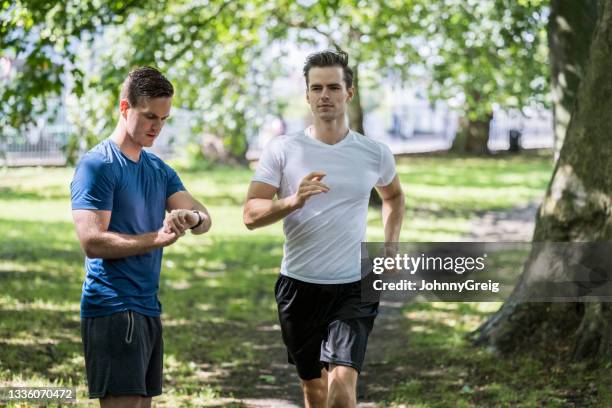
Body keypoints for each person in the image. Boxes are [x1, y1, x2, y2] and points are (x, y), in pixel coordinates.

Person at [243, 50, 405, 407]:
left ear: (349, 93)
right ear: (307, 95)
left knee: (342, 386)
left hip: (354, 285)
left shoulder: (373, 152)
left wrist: (390, 248)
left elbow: (393, 196)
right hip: (299, 286)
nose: (324, 96)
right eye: (316, 88)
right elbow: (251, 215)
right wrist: (292, 201)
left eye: (333, 87)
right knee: (314, 390)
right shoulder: (283, 150)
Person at [71, 66, 211, 408]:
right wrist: (156, 238)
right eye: (150, 116)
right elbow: (92, 241)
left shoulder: (158, 169)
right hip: (113, 309)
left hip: (148, 308)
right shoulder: (97, 166)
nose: (157, 127)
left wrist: (188, 216)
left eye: (163, 119)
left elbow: (205, 219)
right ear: (124, 108)